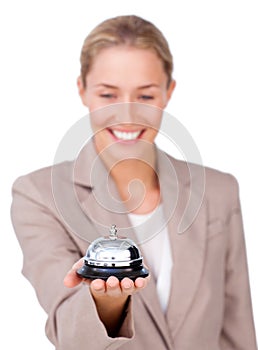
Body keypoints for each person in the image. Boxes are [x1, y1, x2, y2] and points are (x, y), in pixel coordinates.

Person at [11, 15, 257, 350]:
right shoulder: (39, 196)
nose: (127, 114)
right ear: (82, 90)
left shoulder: (219, 191)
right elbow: (68, 333)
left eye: (145, 96)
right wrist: (108, 303)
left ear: (168, 92)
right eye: (108, 94)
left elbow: (237, 331)